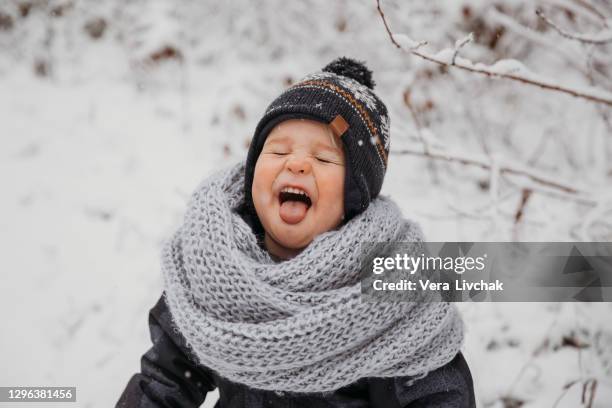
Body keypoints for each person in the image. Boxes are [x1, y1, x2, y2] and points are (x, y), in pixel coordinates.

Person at [116, 57, 476, 407]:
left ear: (355, 195)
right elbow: (164, 382)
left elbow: (439, 392)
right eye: (278, 150)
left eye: (323, 159)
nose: (297, 163)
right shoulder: (212, 269)